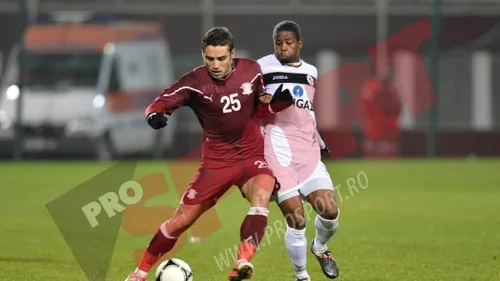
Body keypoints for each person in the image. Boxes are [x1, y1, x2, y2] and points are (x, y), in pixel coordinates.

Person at [124, 27, 294, 281]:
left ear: (232, 54)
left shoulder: (251, 70)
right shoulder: (194, 82)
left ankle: (242, 262)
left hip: (251, 156)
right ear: (203, 56)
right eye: (210, 59)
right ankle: (138, 274)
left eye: (221, 58)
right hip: (216, 163)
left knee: (262, 196)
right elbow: (160, 102)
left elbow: (262, 106)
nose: (215, 65)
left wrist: (277, 102)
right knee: (181, 221)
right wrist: (155, 115)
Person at [257, 21, 340, 281]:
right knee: (297, 219)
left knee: (330, 211)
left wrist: (319, 139)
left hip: (307, 151)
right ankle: (301, 275)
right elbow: (252, 107)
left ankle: (320, 247)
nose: (283, 47)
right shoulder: (260, 67)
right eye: (278, 43)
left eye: (288, 42)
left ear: (299, 44)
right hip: (276, 152)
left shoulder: (311, 72)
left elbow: (305, 111)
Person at [360, 69, 402, 158]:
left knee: (389, 145)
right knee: (372, 144)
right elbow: (366, 106)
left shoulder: (392, 90)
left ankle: (390, 163)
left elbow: (397, 107)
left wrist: (392, 119)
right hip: (375, 122)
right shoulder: (371, 88)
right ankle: (371, 162)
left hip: (388, 123)